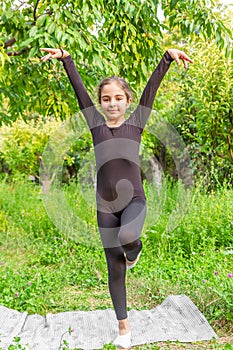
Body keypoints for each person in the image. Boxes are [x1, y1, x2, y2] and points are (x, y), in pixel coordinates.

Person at [40, 47, 193, 349]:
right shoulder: (96, 127)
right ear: (100, 103)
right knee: (114, 266)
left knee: (128, 237)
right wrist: (66, 59)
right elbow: (79, 91)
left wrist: (166, 58)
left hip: (134, 199)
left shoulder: (135, 124)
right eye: (106, 99)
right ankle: (124, 329)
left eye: (118, 98)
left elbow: (151, 89)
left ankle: (135, 251)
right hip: (104, 206)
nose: (112, 103)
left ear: (127, 101)